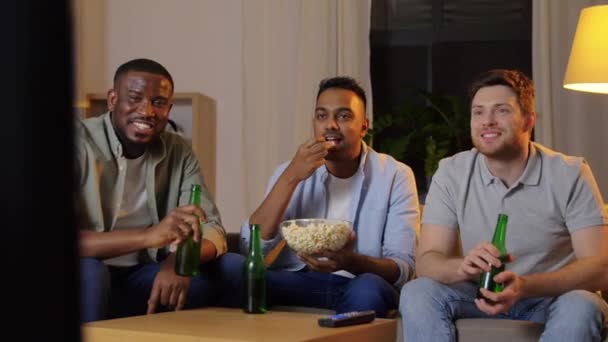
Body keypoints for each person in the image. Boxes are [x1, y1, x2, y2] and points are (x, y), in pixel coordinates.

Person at [400, 69, 608, 341]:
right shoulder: (452, 172)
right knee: (417, 292)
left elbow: (599, 268)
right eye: (478, 112)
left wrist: (526, 286)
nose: (487, 121)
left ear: (528, 120)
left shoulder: (570, 173)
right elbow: (428, 261)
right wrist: (462, 267)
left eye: (501, 111)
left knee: (583, 305)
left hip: (548, 299)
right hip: (477, 294)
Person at [76, 58, 243, 323]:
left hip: (146, 277)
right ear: (112, 99)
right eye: (135, 98)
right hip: (90, 277)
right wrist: (150, 236)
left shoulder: (178, 150)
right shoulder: (78, 143)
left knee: (234, 268)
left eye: (158, 102)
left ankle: (331, 295)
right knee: (89, 272)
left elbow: (211, 227)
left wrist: (179, 262)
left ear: (169, 108)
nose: (147, 112)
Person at [240, 76, 419, 318]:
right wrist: (291, 177)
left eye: (344, 116)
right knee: (230, 268)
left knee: (369, 288)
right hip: (297, 281)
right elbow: (252, 247)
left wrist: (351, 261)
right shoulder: (289, 170)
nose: (330, 125)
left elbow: (403, 268)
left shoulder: (395, 175)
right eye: (322, 116)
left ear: (364, 126)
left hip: (356, 283)